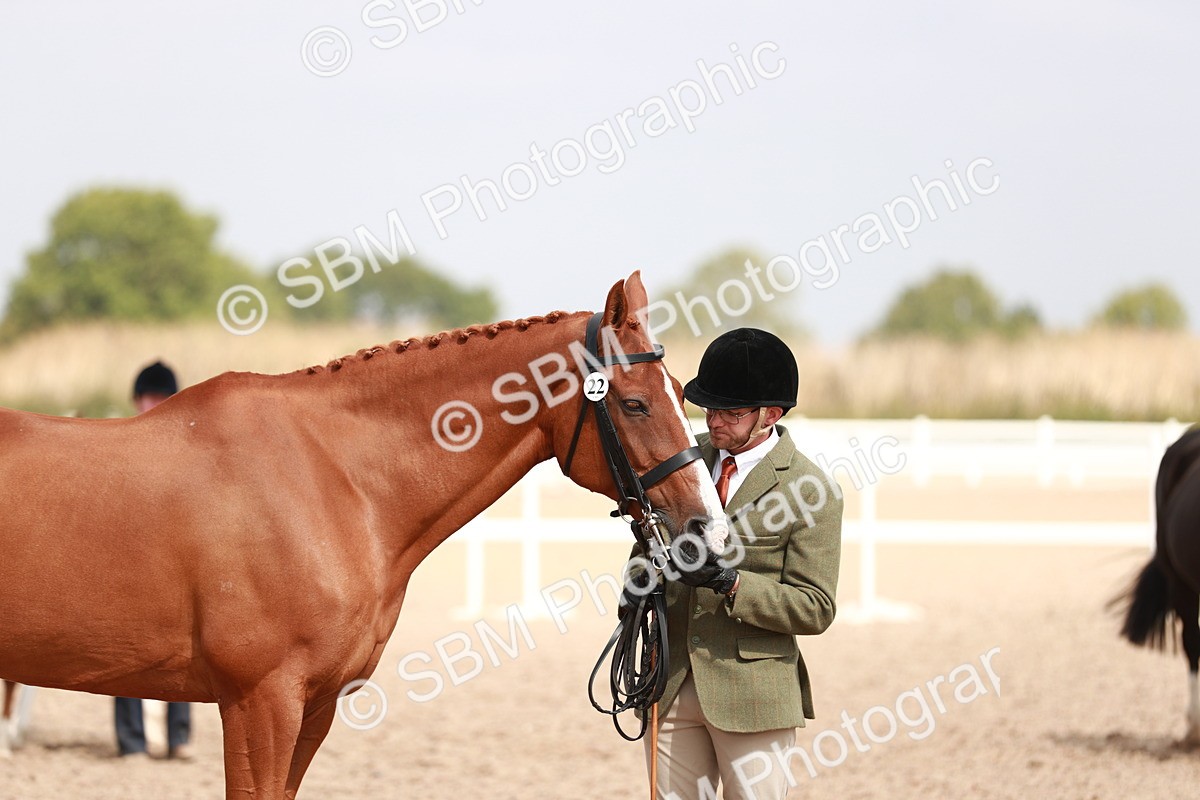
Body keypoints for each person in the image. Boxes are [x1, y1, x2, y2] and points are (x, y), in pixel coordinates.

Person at [634, 328, 842, 800]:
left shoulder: (811, 491)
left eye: (731, 413)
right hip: (671, 682)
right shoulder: (680, 462)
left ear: (771, 414)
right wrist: (637, 585)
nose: (714, 421)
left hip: (752, 695)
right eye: (709, 408)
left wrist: (731, 583)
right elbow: (645, 547)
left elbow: (815, 607)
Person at [114, 360, 194, 761]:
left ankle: (179, 737)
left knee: (185, 649)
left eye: (161, 397)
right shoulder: (119, 445)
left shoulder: (187, 450)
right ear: (137, 400)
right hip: (129, 559)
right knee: (123, 647)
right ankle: (131, 740)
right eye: (149, 397)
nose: (154, 404)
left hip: (176, 561)